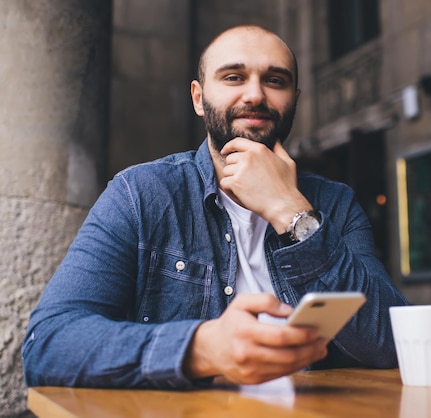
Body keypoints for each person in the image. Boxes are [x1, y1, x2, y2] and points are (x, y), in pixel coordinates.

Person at [22, 25, 408, 389]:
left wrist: (290, 211)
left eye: (275, 80)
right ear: (198, 98)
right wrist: (201, 347)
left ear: (294, 100)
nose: (255, 95)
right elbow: (48, 345)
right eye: (233, 77)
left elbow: (391, 342)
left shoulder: (334, 204)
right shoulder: (141, 194)